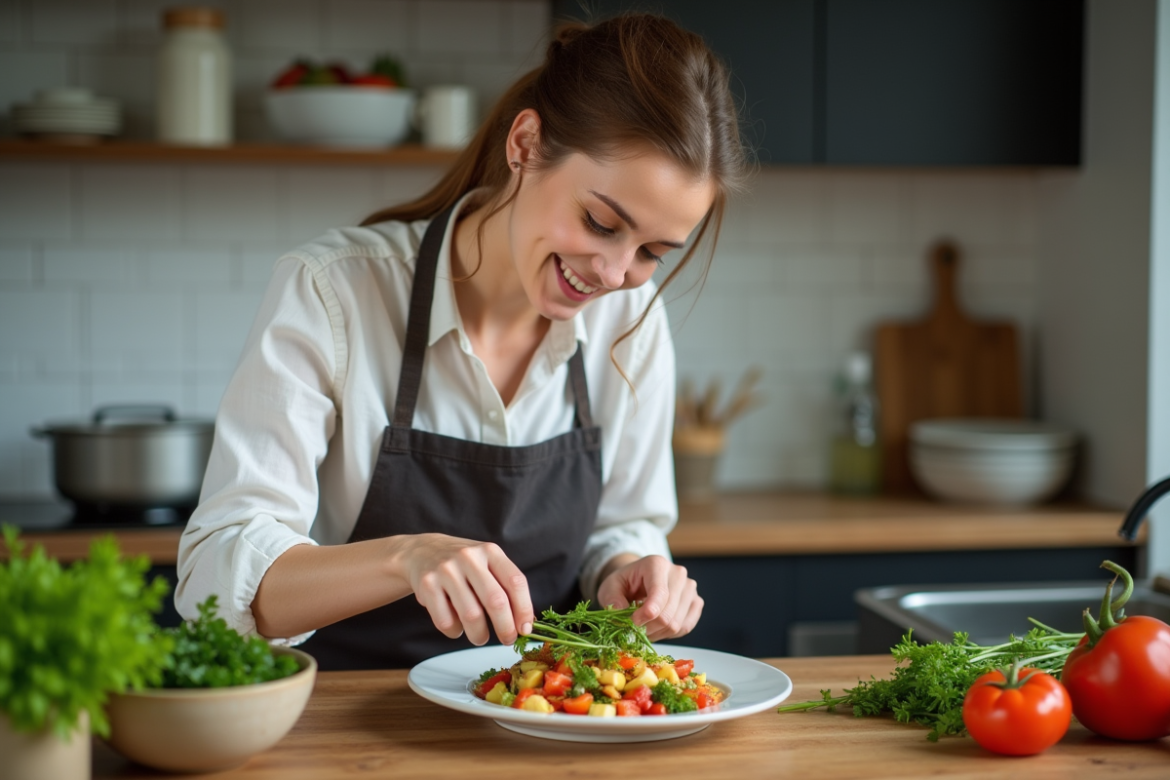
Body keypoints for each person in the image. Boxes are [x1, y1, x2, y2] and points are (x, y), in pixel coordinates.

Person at [175, 12, 749, 670]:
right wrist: (406, 557)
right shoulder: (333, 293)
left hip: (541, 728)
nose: (616, 274)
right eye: (599, 221)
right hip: (344, 732)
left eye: (652, 250)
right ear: (526, 145)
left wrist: (624, 570)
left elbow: (622, 524)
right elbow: (216, 586)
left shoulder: (630, 320)